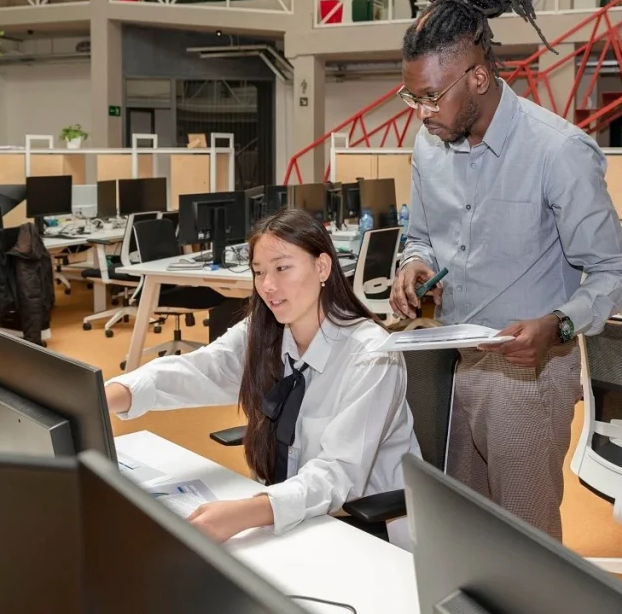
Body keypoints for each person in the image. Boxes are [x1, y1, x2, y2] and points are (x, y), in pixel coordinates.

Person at [389, 0, 622, 541]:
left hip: (530, 375)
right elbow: (419, 236)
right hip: (452, 362)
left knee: (525, 540)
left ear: (477, 78)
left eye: (430, 97)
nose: (422, 112)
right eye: (412, 97)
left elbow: (612, 272)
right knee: (458, 529)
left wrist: (560, 325)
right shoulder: (430, 148)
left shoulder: (559, 153)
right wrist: (412, 266)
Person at [105, 207, 419, 543]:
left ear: (322, 266)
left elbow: (337, 474)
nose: (268, 286)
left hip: (363, 529)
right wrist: (111, 392)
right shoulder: (265, 330)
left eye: (282, 268)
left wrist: (247, 512)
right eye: (258, 272)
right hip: (290, 512)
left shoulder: (372, 355)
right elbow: (203, 368)